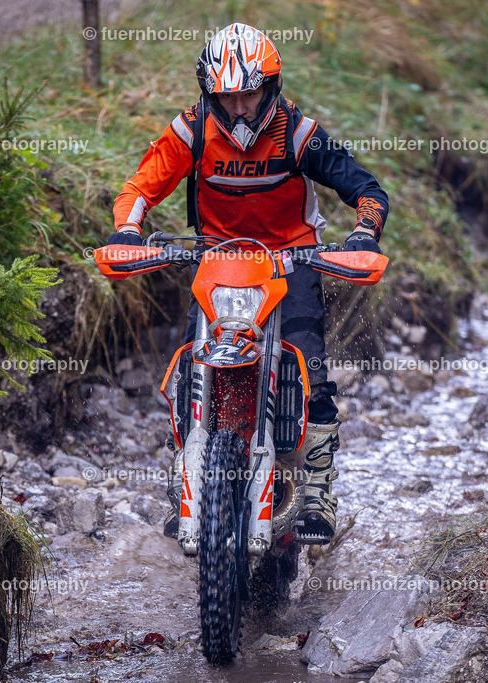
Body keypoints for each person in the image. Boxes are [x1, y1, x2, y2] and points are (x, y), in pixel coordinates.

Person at [106, 22, 389, 542]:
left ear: (271, 87)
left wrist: (363, 234)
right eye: (227, 97)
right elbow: (139, 188)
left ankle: (317, 496)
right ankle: (184, 486)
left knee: (312, 374)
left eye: (249, 95)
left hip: (290, 262)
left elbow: (366, 189)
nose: (238, 108)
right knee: (189, 371)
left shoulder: (298, 134)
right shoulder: (191, 131)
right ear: (209, 93)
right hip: (217, 265)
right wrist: (128, 230)